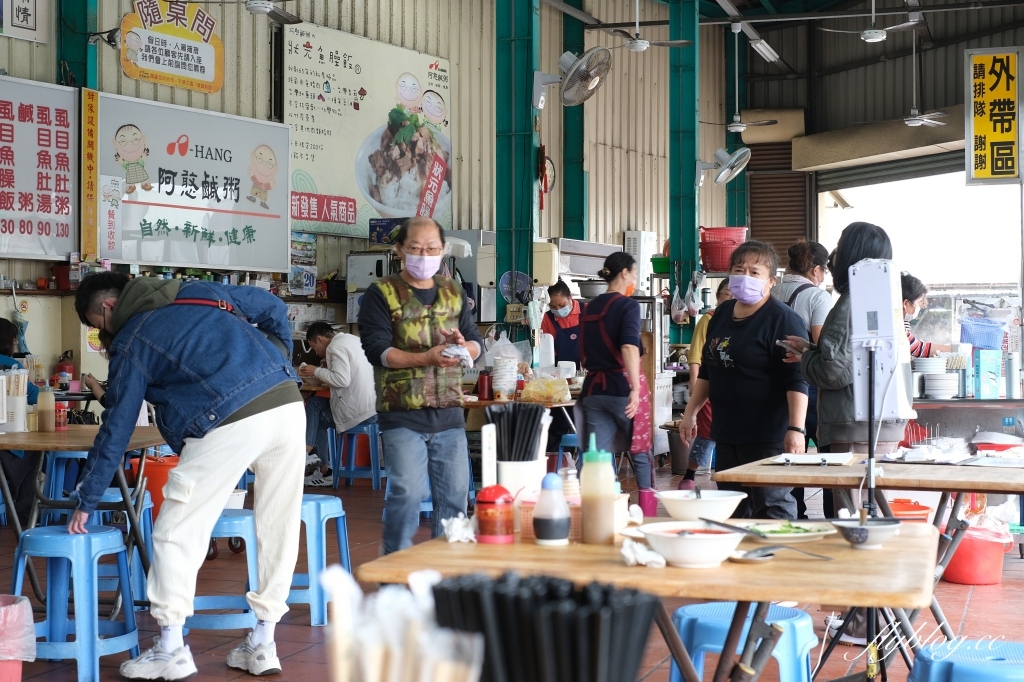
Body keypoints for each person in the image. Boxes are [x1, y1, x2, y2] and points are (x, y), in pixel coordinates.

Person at [70, 272, 305, 680]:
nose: (102, 335)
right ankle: (264, 641)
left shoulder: (132, 338)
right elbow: (272, 307)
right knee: (277, 523)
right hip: (287, 404)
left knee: (175, 530)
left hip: (230, 419)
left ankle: (171, 648)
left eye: (97, 326)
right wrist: (278, 357)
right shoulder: (198, 291)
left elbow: (117, 427)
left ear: (108, 307)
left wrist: (87, 498)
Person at [788, 223, 907, 647]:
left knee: (854, 523)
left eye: (839, 247)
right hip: (879, 421)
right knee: (870, 518)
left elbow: (834, 371)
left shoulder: (850, 301)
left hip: (853, 425)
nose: (833, 255)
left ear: (852, 253)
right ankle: (878, 613)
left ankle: (860, 625)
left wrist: (805, 356)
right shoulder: (886, 295)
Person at [358, 216, 484, 555]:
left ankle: (444, 577)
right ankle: (393, 571)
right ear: (400, 249)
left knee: (456, 499)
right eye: (415, 248)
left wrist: (462, 346)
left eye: (432, 249)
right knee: (407, 493)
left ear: (443, 251)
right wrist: (426, 357)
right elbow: (378, 351)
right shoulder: (380, 293)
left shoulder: (453, 291)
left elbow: (476, 343)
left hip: (450, 415)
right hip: (402, 414)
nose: (423, 255)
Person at [680, 240, 808, 519]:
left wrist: (796, 430)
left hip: (767, 436)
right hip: (726, 433)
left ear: (771, 281)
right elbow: (708, 368)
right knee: (733, 505)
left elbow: (797, 379)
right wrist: (691, 412)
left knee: (771, 503)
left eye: (754, 272)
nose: (745, 277)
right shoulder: (722, 314)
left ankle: (778, 557)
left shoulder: (783, 320)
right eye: (739, 270)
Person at [577, 252, 654, 491]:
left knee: (596, 457)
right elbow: (629, 346)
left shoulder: (589, 307)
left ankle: (596, 510)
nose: (635, 278)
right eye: (634, 272)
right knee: (641, 452)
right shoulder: (627, 305)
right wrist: (635, 388)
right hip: (621, 389)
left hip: (593, 391)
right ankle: (647, 510)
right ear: (624, 273)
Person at [772, 240, 834, 518]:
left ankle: (793, 510)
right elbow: (823, 344)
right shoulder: (817, 297)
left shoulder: (771, 289)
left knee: (788, 451)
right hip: (807, 382)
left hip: (773, 381)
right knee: (826, 451)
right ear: (816, 270)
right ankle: (834, 510)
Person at [299, 321, 377, 485]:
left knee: (316, 416)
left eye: (314, 347)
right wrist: (329, 366)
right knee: (314, 405)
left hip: (361, 411)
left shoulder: (334, 348)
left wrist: (316, 371)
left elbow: (341, 380)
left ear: (320, 339)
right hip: (374, 407)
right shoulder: (352, 339)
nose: (316, 352)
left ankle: (314, 462)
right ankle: (319, 465)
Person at [678, 279, 731, 491]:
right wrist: (694, 383)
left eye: (733, 294)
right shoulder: (709, 319)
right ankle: (689, 475)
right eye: (726, 294)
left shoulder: (744, 319)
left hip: (735, 390)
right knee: (707, 433)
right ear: (718, 297)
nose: (731, 298)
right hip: (710, 387)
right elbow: (695, 354)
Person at [0, 318, 39, 527]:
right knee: (34, 451)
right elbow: (35, 397)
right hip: (7, 443)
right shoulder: (11, 366)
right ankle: (25, 512)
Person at [902, 271, 951, 357]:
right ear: (906, 303)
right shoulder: (896, 327)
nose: (919, 306)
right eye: (919, 302)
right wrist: (956, 350)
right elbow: (919, 348)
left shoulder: (901, 322)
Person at [541, 279, 582, 366]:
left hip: (587, 371)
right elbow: (546, 352)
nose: (558, 310)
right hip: (560, 372)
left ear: (570, 296)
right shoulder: (546, 319)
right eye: (552, 306)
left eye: (562, 305)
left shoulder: (588, 310)